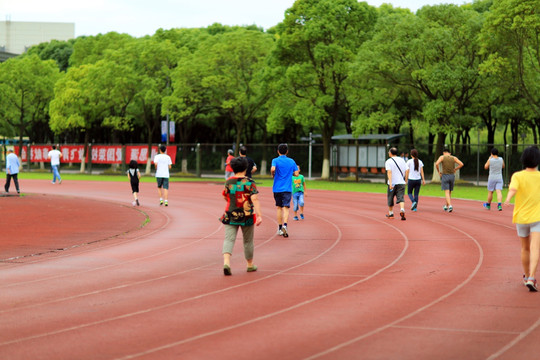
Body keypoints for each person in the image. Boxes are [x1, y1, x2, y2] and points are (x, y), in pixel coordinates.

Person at [504, 146, 540, 292]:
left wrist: (507, 199)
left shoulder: (517, 176)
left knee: (525, 248)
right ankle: (531, 277)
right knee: (535, 247)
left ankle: (526, 276)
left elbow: (513, 189)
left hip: (521, 217)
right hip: (537, 216)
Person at [220, 156, 262, 276]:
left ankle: (226, 263)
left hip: (230, 214)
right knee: (248, 241)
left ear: (233, 168)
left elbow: (225, 196)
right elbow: (255, 199)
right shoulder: (250, 183)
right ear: (246, 167)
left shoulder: (228, 182)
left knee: (229, 239)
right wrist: (259, 215)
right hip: (247, 215)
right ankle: (250, 265)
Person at [271, 143, 299, 237]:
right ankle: (285, 225)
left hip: (277, 188)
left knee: (278, 207)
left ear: (278, 151)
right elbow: (296, 173)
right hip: (287, 188)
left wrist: (272, 174)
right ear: (287, 151)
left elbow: (273, 169)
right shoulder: (291, 161)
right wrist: (292, 174)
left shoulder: (275, 160)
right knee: (286, 207)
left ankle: (279, 228)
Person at [435, 147, 464, 212]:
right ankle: (446, 205)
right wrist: (455, 169)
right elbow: (461, 164)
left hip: (445, 175)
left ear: (443, 152)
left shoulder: (442, 157)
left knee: (446, 192)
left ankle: (450, 205)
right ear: (450, 153)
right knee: (449, 192)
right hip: (452, 176)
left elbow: (436, 163)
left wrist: (439, 171)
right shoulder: (454, 158)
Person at [385, 147, 407, 220]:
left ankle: (391, 214)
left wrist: (390, 183)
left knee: (390, 198)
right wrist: (405, 180)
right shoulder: (402, 160)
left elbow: (389, 172)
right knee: (401, 197)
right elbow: (407, 170)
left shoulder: (388, 161)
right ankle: (402, 209)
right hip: (401, 182)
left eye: (389, 152)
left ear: (391, 153)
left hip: (393, 183)